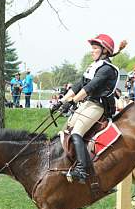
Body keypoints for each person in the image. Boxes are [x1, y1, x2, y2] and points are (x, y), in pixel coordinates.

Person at [52, 33, 125, 183]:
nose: (92, 51)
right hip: (87, 103)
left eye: (95, 48)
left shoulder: (107, 69)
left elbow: (91, 87)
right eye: (92, 48)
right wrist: (62, 101)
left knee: (77, 132)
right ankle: (66, 163)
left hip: (98, 106)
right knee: (67, 130)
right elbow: (79, 85)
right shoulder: (94, 66)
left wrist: (72, 102)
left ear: (104, 51)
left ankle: (83, 169)